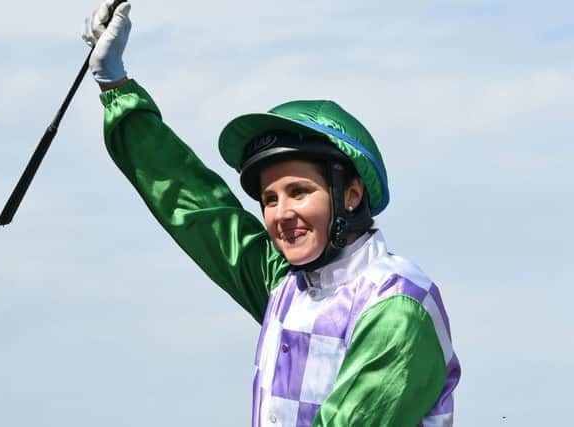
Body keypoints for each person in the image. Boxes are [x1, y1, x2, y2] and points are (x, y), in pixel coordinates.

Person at [82, 1, 460, 426]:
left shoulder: (397, 305)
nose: (281, 214)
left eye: (299, 192)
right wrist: (116, 84)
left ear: (351, 194)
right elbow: (196, 207)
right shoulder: (285, 284)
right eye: (269, 199)